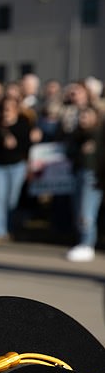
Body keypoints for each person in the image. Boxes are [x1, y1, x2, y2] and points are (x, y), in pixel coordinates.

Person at [0, 95, 32, 245]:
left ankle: (10, 228)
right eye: (4, 108)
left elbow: (27, 146)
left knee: (11, 199)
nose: (6, 111)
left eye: (10, 108)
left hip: (16, 166)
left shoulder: (23, 125)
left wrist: (16, 143)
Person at [63, 105, 103, 261]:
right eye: (81, 116)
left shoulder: (99, 134)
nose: (83, 119)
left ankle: (87, 243)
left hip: (93, 175)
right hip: (77, 173)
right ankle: (82, 241)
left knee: (87, 211)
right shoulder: (77, 135)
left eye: (86, 115)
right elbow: (68, 152)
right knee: (78, 210)